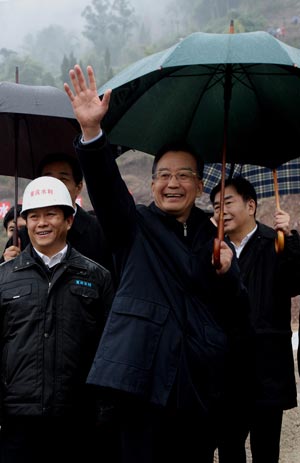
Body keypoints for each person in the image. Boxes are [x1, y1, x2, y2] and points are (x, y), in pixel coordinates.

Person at [63, 64, 251, 463]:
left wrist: (229, 273)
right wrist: (92, 135)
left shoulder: (214, 236)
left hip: (198, 386)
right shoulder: (135, 227)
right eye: (164, 174)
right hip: (141, 383)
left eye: (185, 175)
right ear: (151, 185)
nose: (173, 183)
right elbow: (109, 193)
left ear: (201, 185)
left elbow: (238, 314)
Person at [0, 175, 114, 463]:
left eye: (51, 214)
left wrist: (104, 411)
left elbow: (108, 349)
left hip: (78, 419)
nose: (42, 223)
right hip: (17, 420)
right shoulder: (4, 277)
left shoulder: (96, 277)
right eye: (34, 216)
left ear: (69, 220)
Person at [210, 176, 299, 463]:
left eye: (227, 202)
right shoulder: (214, 251)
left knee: (266, 451)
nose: (220, 211)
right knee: (228, 450)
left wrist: (291, 242)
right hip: (226, 371)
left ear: (251, 205)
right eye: (214, 206)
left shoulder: (277, 244)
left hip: (267, 369)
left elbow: (295, 283)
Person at [1, 152, 115, 280]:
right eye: (48, 179)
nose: (54, 185)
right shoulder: (21, 238)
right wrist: (7, 264)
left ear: (78, 187)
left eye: (63, 179)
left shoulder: (100, 232)